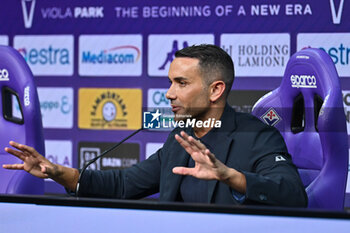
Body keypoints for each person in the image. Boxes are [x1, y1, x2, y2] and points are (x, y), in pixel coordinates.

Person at [3, 44, 307, 206]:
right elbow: (124, 185)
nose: (169, 93)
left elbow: (293, 194)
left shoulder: (257, 137)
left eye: (181, 83)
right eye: (170, 82)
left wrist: (230, 176)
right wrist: (59, 173)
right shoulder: (180, 137)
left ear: (216, 90)